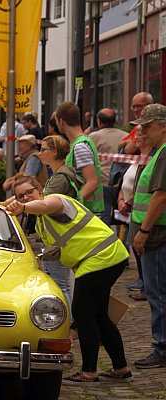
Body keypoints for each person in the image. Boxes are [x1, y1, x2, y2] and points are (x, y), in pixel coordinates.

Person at [7, 176, 132, 383]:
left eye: (29, 192)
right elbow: (61, 246)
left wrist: (22, 205)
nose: (26, 198)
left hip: (101, 257)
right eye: (20, 195)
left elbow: (46, 204)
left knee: (83, 315)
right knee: (99, 316)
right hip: (102, 258)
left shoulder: (56, 200)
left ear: (40, 190)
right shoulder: (41, 223)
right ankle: (121, 368)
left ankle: (89, 372)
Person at [130, 103, 166, 369]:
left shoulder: (163, 153)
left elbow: (161, 196)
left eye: (147, 125)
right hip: (158, 232)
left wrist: (143, 231)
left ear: (162, 126)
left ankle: (161, 348)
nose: (142, 130)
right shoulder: (158, 153)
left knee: (158, 294)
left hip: (157, 234)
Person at [36, 135, 84, 317]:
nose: (40, 154)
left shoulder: (59, 179)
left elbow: (43, 204)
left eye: (44, 150)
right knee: (62, 281)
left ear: (55, 152)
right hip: (62, 236)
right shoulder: (64, 173)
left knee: (59, 283)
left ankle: (67, 323)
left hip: (58, 238)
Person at [118, 127, 153, 301]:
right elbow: (125, 180)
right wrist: (121, 200)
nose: (135, 139)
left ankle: (147, 286)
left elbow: (141, 186)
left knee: (141, 251)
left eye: (139, 136)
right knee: (135, 248)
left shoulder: (150, 160)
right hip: (130, 212)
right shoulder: (137, 159)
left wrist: (129, 201)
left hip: (139, 213)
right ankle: (143, 281)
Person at [56, 101, 105, 214]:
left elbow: (92, 182)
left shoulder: (80, 146)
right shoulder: (79, 143)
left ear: (61, 121)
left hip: (87, 212)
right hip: (86, 211)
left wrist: (71, 206)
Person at [89, 108, 128, 224]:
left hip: (102, 183)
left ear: (99, 121)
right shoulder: (125, 136)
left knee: (103, 219)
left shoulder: (93, 137)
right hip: (122, 184)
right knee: (123, 219)